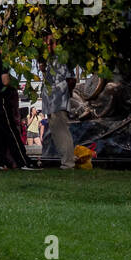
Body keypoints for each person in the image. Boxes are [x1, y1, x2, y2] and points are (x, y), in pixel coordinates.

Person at [41, 37, 76, 170]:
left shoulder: (60, 59)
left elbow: (70, 80)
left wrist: (61, 92)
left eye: (50, 43)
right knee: (57, 132)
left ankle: (68, 163)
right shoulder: (51, 60)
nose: (48, 46)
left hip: (57, 101)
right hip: (52, 101)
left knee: (62, 132)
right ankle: (66, 161)